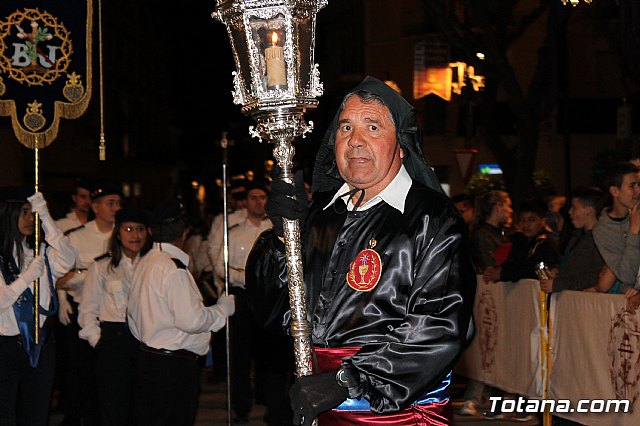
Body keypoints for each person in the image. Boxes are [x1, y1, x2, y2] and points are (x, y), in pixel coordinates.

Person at [246, 76, 475, 425]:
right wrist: (281, 239)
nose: (355, 141)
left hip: (395, 413)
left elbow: (439, 325)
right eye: (346, 127)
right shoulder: (319, 215)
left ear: (400, 146)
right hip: (313, 401)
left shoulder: (433, 218)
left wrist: (347, 381)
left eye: (372, 127)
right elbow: (271, 312)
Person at [127, 197, 236, 426]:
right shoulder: (173, 268)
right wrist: (221, 311)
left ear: (150, 231)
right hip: (173, 366)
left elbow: (133, 318)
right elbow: (191, 320)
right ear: (184, 234)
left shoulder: (144, 263)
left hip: (148, 357)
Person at [0, 188, 75, 425]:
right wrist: (25, 279)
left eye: (31, 213)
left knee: (37, 413)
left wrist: (45, 216)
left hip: (39, 343)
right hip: (5, 346)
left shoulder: (39, 253)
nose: (29, 218)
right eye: (24, 212)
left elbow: (68, 258)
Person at [56, 182, 123, 426]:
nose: (116, 208)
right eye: (110, 203)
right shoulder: (77, 237)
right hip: (86, 313)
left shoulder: (124, 235)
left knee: (114, 377)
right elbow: (59, 278)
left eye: (118, 203)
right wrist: (86, 278)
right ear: (95, 207)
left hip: (117, 315)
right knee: (84, 374)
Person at [78, 207, 152, 426]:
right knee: (114, 406)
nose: (135, 235)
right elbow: (88, 309)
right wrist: (98, 341)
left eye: (140, 229)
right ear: (118, 233)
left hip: (147, 339)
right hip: (114, 339)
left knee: (144, 405)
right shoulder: (102, 267)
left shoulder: (154, 265)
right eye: (128, 229)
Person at [459, 189, 513, 418]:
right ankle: (474, 397)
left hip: (494, 301)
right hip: (485, 301)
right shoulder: (482, 234)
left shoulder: (500, 232)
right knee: (485, 348)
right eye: (508, 206)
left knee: (491, 348)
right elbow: (489, 265)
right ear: (498, 207)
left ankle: (486, 398)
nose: (511, 211)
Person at [539, 187, 606, 293]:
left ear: (589, 210)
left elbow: (595, 276)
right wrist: (557, 271)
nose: (570, 212)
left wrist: (559, 284)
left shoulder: (601, 240)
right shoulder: (577, 237)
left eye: (574, 208)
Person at [484, 198, 561, 283]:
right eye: (522, 220)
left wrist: (503, 274)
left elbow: (535, 269)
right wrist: (496, 270)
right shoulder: (520, 240)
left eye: (531, 220)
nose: (526, 225)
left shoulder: (547, 242)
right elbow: (512, 262)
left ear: (543, 221)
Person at [592, 162, 640, 291]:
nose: (638, 191)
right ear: (615, 191)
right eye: (632, 186)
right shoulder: (603, 230)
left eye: (639, 185)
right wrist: (633, 231)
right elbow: (627, 275)